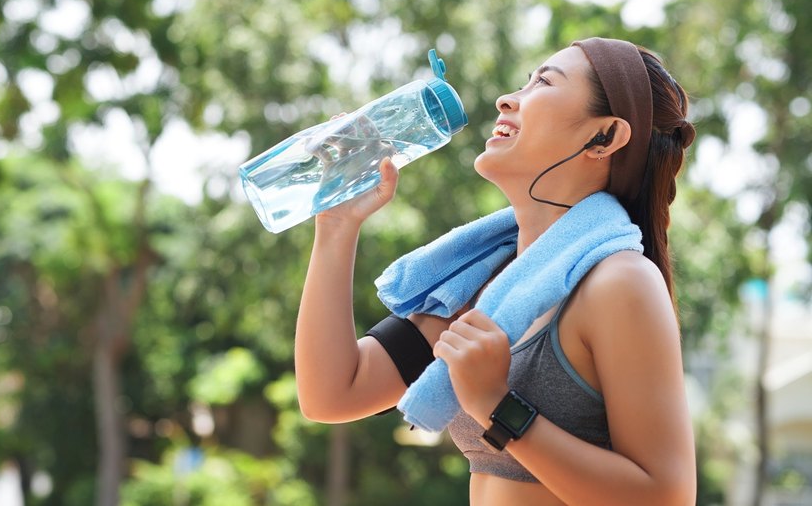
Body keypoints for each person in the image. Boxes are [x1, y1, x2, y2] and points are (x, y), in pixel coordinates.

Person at [294, 37, 697, 505]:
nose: (507, 99)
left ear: (604, 136)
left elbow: (666, 496)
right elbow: (331, 394)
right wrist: (336, 227)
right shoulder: (486, 281)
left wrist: (494, 405)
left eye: (543, 82)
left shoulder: (619, 282)